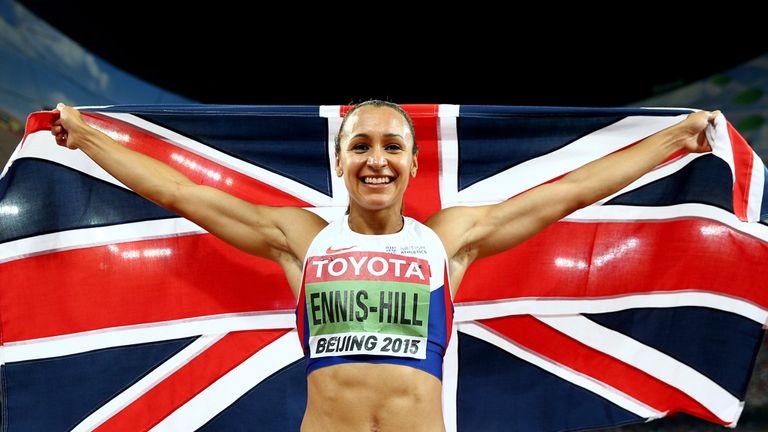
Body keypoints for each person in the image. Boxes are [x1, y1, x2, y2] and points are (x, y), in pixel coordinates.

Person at [51, 100, 717, 432]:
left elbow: (570, 191)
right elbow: (179, 193)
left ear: (413, 163)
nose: (376, 158)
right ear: (340, 162)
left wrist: (674, 137)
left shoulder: (450, 240)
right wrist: (84, 135)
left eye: (392, 145)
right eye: (361, 145)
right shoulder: (300, 239)